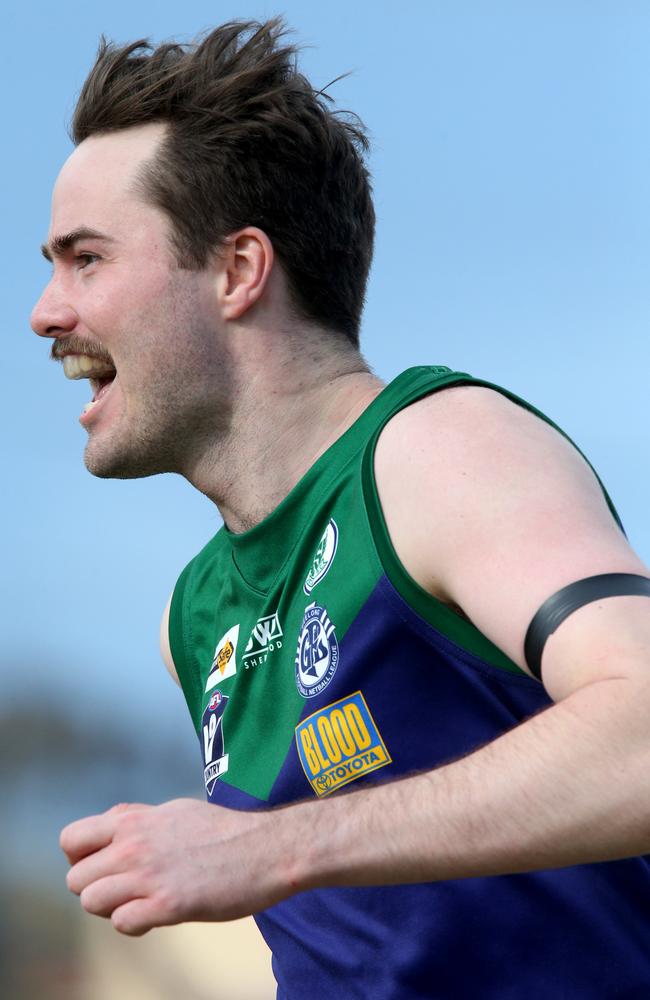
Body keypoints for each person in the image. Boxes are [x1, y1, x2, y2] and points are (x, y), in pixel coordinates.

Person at [32, 18, 650, 999]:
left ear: (237, 271)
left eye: (86, 259)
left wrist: (269, 849)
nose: (45, 311)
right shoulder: (190, 622)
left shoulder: (433, 452)